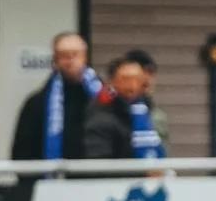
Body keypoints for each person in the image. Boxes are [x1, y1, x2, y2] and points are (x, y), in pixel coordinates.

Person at [10, 31, 101, 161]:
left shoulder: (106, 98)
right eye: (64, 55)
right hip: (53, 178)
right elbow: (22, 151)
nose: (70, 60)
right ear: (55, 60)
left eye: (75, 54)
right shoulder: (37, 104)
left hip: (101, 178)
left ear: (85, 57)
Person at [83, 56, 168, 161]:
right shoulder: (100, 115)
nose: (132, 85)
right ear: (112, 82)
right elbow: (99, 164)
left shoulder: (151, 113)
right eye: (126, 79)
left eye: (137, 79)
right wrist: (142, 173)